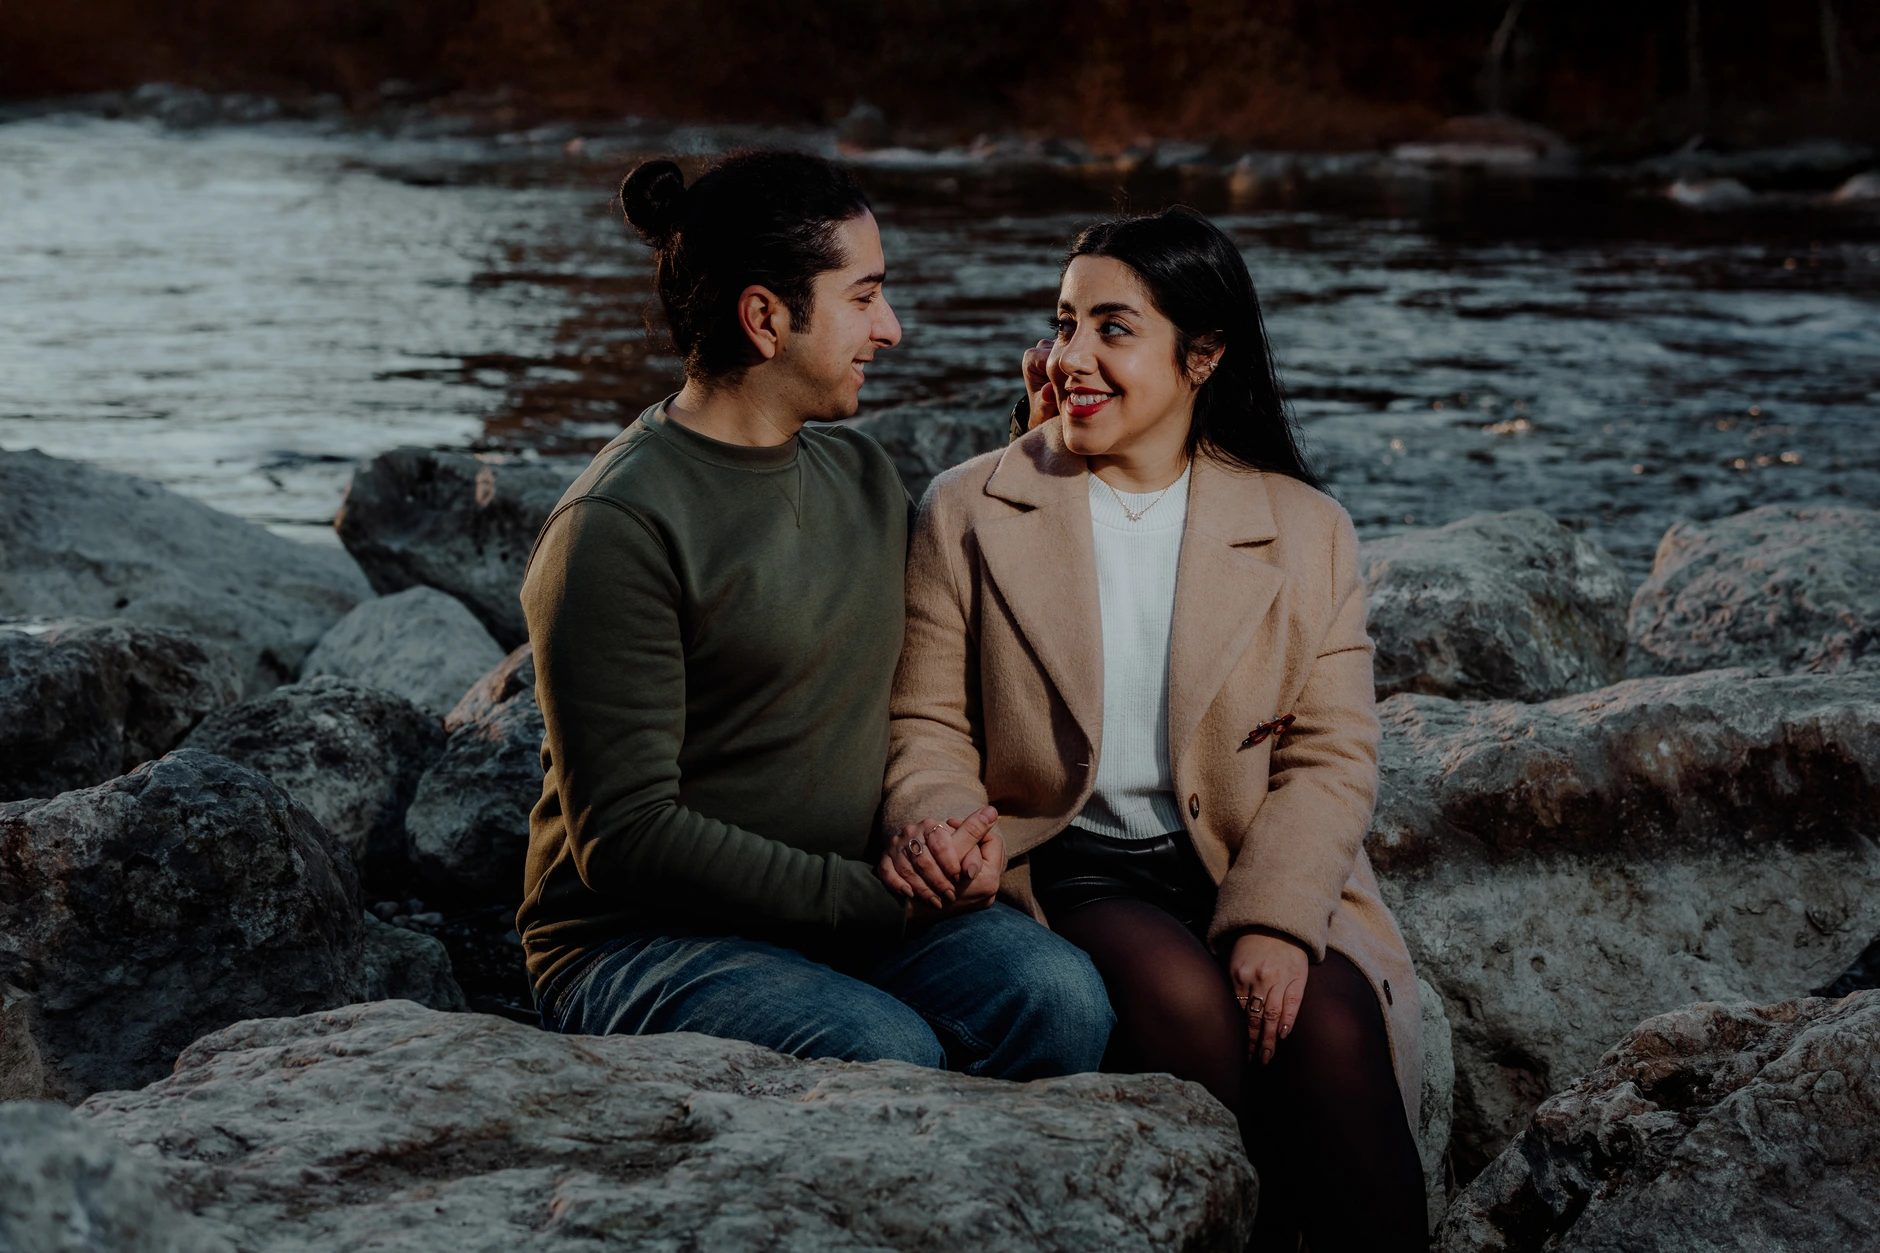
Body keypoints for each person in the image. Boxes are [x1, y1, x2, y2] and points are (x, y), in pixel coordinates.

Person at [879, 206, 1427, 1250]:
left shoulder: (1304, 528)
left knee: (1334, 1024)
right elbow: (926, 719)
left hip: (1233, 850)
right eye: (1063, 321)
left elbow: (1330, 753)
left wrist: (1271, 916)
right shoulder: (968, 506)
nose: (1070, 357)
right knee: (1185, 1004)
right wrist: (938, 813)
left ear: (1203, 353)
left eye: (1112, 329)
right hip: (1066, 858)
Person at [517, 150, 1112, 1081]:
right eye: (865, 296)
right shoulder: (616, 528)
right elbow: (624, 840)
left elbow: (961, 611)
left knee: (1060, 998)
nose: (894, 329)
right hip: (640, 941)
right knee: (884, 1048)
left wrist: (1036, 449)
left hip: (849, 904)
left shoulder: (861, 476)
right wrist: (874, 901)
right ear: (766, 318)